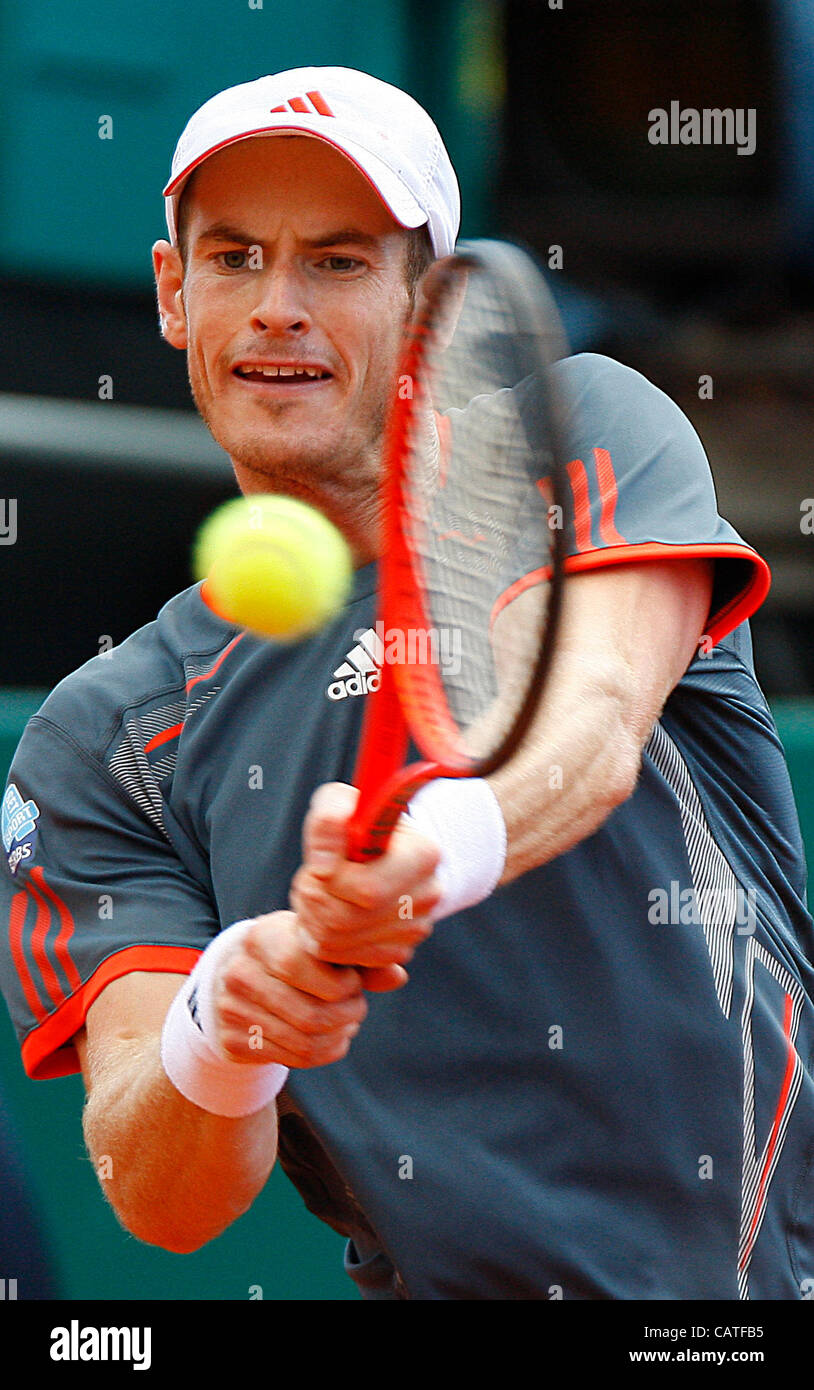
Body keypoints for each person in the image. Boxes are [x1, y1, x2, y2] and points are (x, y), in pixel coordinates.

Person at [1, 65, 813, 1301]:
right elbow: (155, 1186)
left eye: (336, 261)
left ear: (427, 303)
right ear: (171, 294)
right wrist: (233, 1017)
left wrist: (422, 858)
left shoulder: (580, 428)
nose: (277, 307)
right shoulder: (103, 738)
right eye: (233, 258)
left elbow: (583, 722)